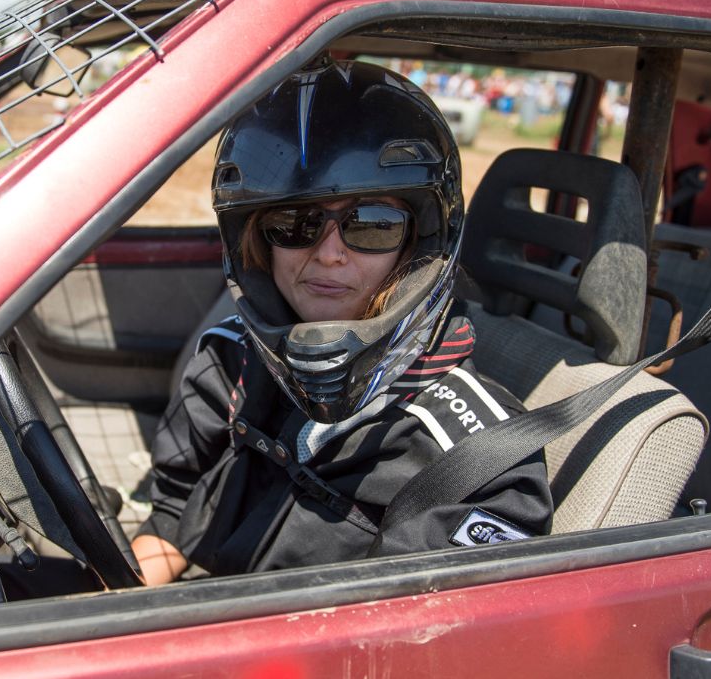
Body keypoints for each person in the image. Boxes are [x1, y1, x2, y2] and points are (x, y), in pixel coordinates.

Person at [130, 58, 554, 585]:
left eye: (372, 224)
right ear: (256, 240)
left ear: (418, 243)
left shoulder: (480, 460)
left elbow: (404, 646)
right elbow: (170, 523)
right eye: (295, 223)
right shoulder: (229, 361)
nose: (329, 254)